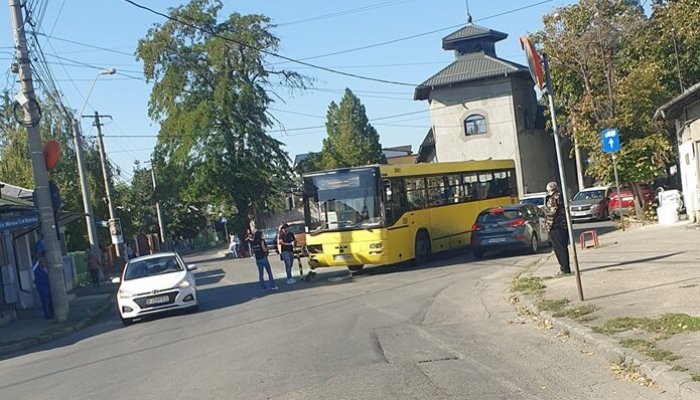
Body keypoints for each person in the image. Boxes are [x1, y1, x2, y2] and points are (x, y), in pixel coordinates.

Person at [544, 181, 571, 275]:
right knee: (563, 247)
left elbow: (552, 213)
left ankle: (564, 269)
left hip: (556, 226)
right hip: (563, 225)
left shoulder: (553, 198)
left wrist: (548, 226)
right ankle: (565, 267)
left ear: (549, 189)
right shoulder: (561, 196)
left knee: (559, 248)